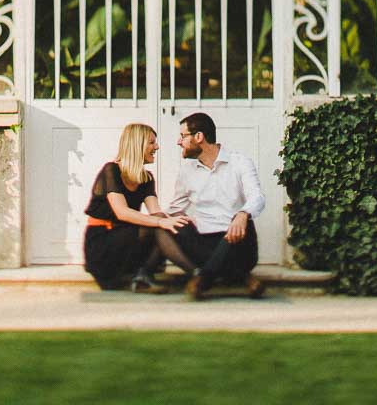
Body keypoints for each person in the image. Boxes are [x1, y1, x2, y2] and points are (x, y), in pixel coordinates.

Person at [82, 122, 197, 293]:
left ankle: (144, 276)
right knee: (159, 226)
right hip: (103, 242)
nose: (156, 147)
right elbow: (122, 212)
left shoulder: (146, 178)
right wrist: (161, 222)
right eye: (151, 142)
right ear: (137, 145)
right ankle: (198, 273)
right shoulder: (111, 170)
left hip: (127, 239)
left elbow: (156, 212)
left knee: (166, 225)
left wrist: (174, 220)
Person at [165, 111, 267, 300]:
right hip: (204, 242)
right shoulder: (186, 171)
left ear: (199, 137)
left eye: (182, 136)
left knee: (236, 226)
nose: (179, 142)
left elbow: (257, 197)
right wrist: (163, 219)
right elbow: (174, 210)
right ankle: (243, 278)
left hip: (239, 242)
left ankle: (204, 279)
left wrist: (243, 214)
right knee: (168, 226)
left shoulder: (240, 162)